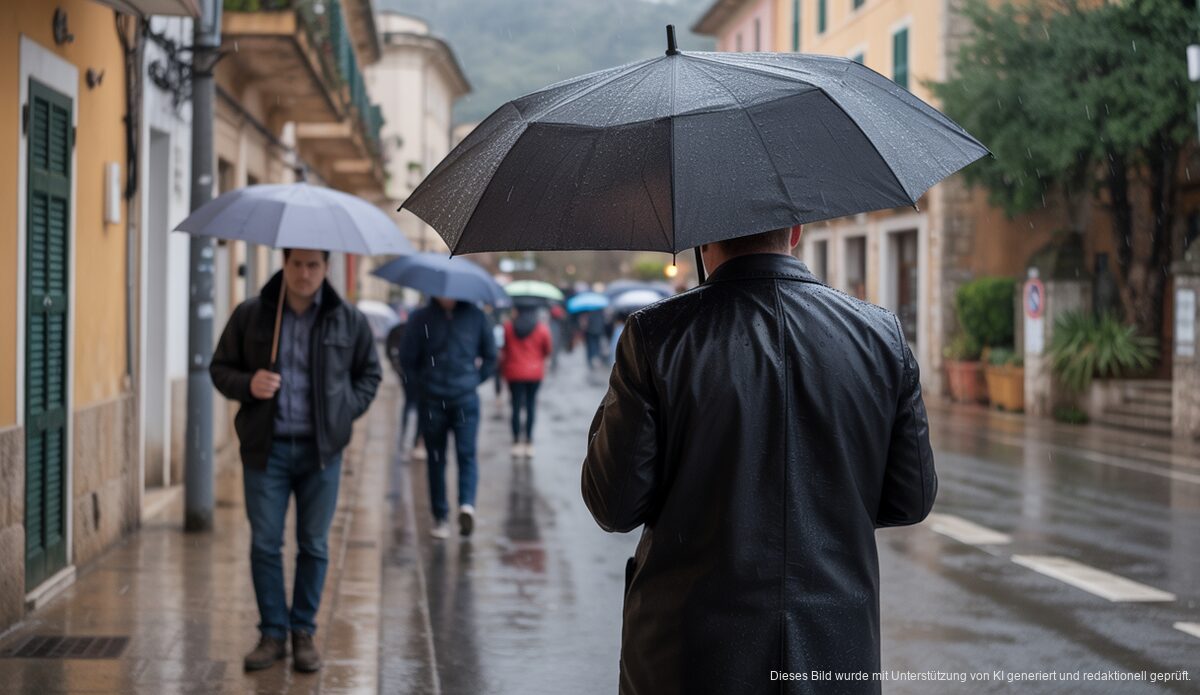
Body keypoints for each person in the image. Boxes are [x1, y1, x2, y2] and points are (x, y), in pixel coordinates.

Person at [580, 227, 936, 694]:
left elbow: (614, 504)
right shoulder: (880, 336)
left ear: (702, 239)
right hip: (832, 653)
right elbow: (911, 499)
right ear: (796, 232)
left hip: (689, 657)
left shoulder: (656, 337)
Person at [210, 248, 381, 674]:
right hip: (266, 450)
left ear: (325, 268)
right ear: (283, 264)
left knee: (314, 545)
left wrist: (343, 412)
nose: (304, 274)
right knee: (266, 544)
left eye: (313, 265)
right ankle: (272, 633)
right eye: (297, 264)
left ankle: (302, 632)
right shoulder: (252, 315)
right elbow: (219, 368)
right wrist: (249, 383)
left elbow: (370, 374)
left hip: (321, 454)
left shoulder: (348, 319)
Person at [400, 296, 497, 539]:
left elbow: (491, 355)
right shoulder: (421, 318)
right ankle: (440, 515)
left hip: (465, 399)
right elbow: (407, 359)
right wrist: (418, 390)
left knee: (466, 454)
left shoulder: (475, 316)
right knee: (436, 459)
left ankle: (466, 506)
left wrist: (474, 380)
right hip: (432, 401)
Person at [499, 304, 553, 457]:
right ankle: (528, 442)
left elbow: (504, 348)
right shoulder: (542, 328)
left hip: (514, 373)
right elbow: (547, 350)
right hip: (534, 373)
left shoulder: (508, 327)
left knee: (515, 407)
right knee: (530, 406)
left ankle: (516, 442)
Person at [385, 321, 423, 459]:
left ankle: (409, 441)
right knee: (415, 406)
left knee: (413, 406)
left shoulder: (403, 330)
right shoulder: (412, 330)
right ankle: (412, 442)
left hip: (413, 376)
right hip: (413, 376)